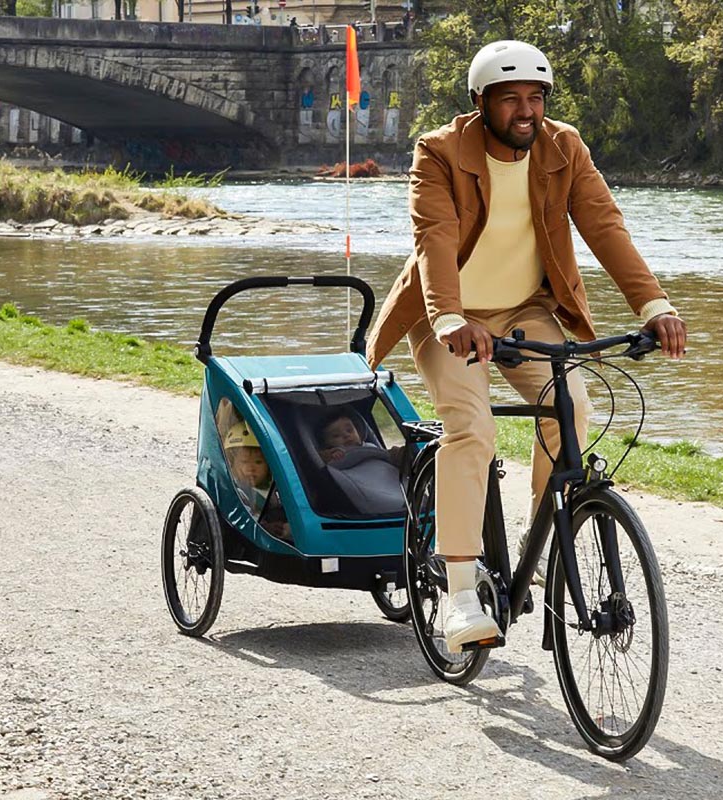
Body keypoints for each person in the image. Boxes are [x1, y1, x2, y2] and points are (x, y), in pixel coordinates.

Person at [365, 40, 687, 654]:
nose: (526, 111)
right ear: (481, 103)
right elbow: (434, 239)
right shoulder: (439, 152)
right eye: (510, 99)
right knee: (471, 429)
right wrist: (452, 317)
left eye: (535, 99)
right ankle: (459, 593)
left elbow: (604, 226)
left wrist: (655, 306)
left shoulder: (564, 148)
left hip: (523, 310)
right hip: (449, 318)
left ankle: (544, 540)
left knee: (573, 404)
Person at [315, 409, 407, 515]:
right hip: (366, 488)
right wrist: (330, 456)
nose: (346, 436)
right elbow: (324, 461)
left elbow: (386, 457)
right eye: (336, 436)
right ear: (326, 443)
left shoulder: (371, 447)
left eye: (349, 430)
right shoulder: (334, 455)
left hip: (388, 481)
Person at [224, 420, 290, 541]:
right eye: (244, 462)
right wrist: (267, 527)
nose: (251, 468)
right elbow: (244, 518)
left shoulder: (272, 487)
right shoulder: (236, 489)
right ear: (233, 462)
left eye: (258, 462)